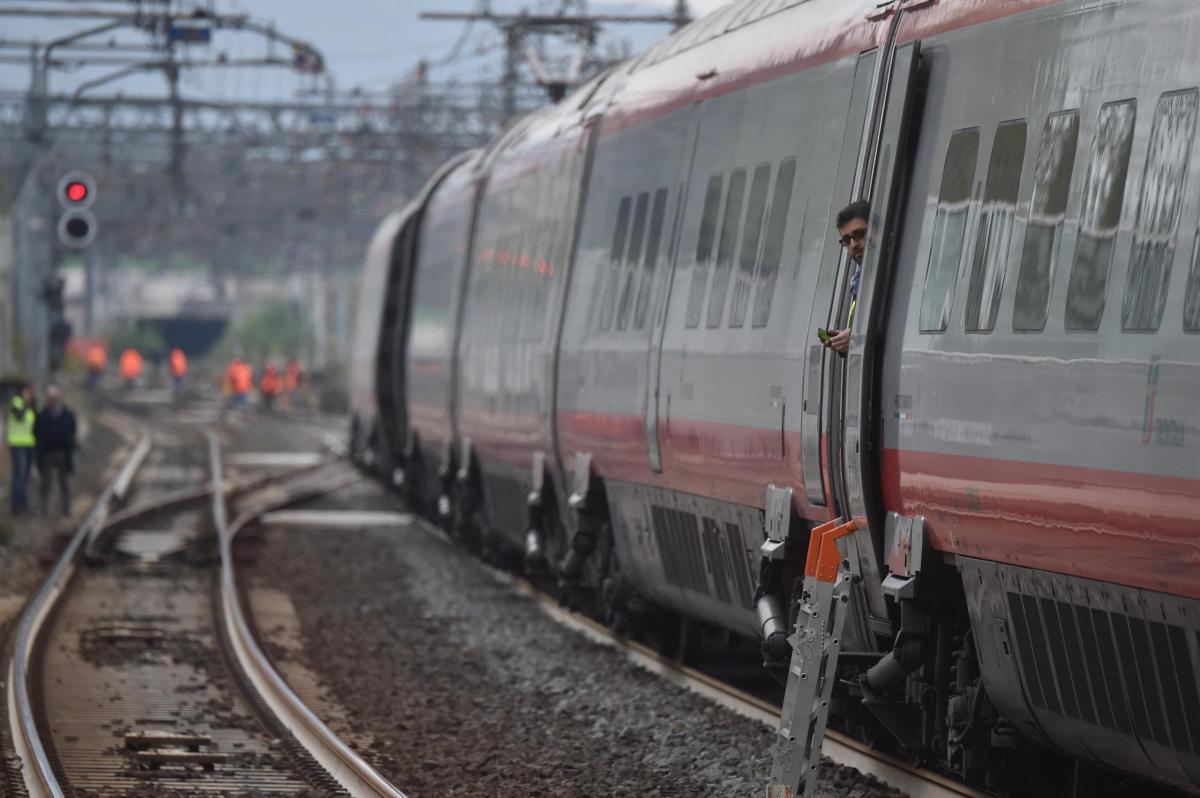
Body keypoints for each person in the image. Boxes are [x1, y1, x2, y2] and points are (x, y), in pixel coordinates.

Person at [824, 200, 870, 356]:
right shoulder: (860, 281)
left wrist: (857, 340)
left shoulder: (893, 275)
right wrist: (847, 341)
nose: (853, 244)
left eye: (859, 234)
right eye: (846, 240)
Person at [33, 386, 76, 519]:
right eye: (50, 399)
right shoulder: (42, 415)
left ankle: (66, 509)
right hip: (47, 453)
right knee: (46, 482)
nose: (52, 401)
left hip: (63, 453)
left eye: (55, 398)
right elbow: (35, 432)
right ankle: (44, 509)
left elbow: (72, 432)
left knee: (65, 482)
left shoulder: (68, 415)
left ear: (59, 399)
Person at [7, 383, 36, 517]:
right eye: (29, 390)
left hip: (29, 444)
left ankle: (23, 504)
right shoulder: (16, 403)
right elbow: (19, 417)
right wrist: (26, 402)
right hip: (18, 444)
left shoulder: (33, 404)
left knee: (25, 476)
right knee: (18, 475)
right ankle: (16, 505)